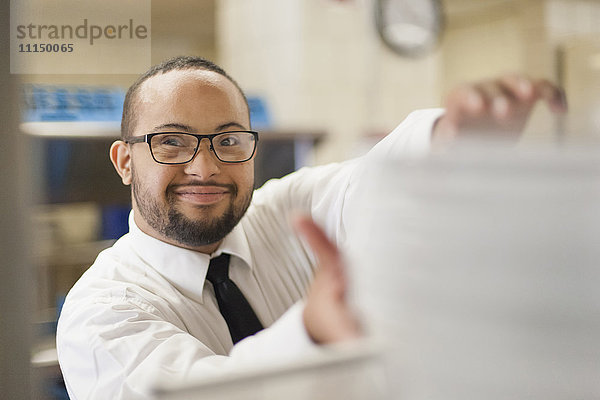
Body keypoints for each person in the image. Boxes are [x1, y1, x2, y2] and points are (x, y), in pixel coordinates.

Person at [56, 56, 566, 399]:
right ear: (124, 161)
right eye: (172, 142)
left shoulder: (279, 214)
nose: (205, 167)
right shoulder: (100, 315)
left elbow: (369, 184)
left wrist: (449, 143)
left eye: (229, 141)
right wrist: (310, 333)